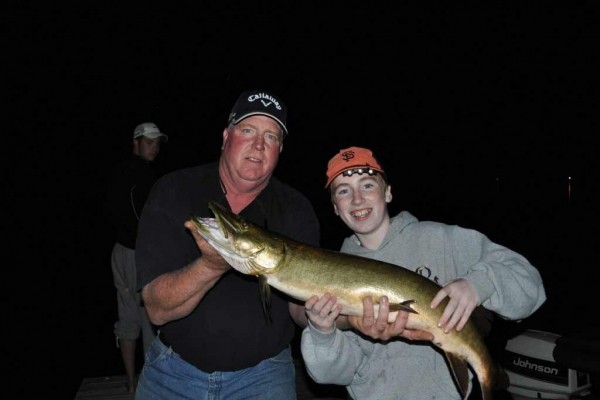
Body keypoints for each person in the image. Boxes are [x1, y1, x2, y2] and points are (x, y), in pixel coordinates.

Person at [301, 146, 547, 400]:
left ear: (387, 192)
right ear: (334, 207)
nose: (357, 199)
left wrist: (479, 283)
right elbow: (333, 374)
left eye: (367, 185)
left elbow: (532, 287)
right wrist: (322, 331)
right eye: (343, 191)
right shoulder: (330, 276)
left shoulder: (442, 240)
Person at [134, 90, 320, 399]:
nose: (258, 144)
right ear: (225, 137)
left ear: (280, 150)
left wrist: (326, 316)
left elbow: (300, 308)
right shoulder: (173, 190)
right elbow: (156, 310)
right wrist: (211, 265)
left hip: (264, 375)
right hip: (173, 372)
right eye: (247, 130)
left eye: (271, 137)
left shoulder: (296, 208)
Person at [105, 122, 167, 394]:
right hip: (137, 255)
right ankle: (149, 387)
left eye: (157, 143)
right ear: (136, 142)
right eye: (149, 141)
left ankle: (131, 384)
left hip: (120, 252)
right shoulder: (141, 174)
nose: (154, 147)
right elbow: (144, 219)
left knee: (128, 316)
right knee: (149, 316)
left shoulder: (119, 171)